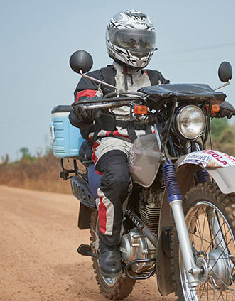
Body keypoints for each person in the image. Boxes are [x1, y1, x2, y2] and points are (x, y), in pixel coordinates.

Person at [69, 9, 169, 278]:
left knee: (177, 170)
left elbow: (175, 98)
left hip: (149, 145)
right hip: (112, 141)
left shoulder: (157, 80)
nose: (138, 47)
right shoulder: (98, 77)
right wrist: (85, 105)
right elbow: (83, 98)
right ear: (114, 41)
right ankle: (110, 247)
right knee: (116, 177)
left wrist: (211, 102)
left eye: (143, 41)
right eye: (130, 41)